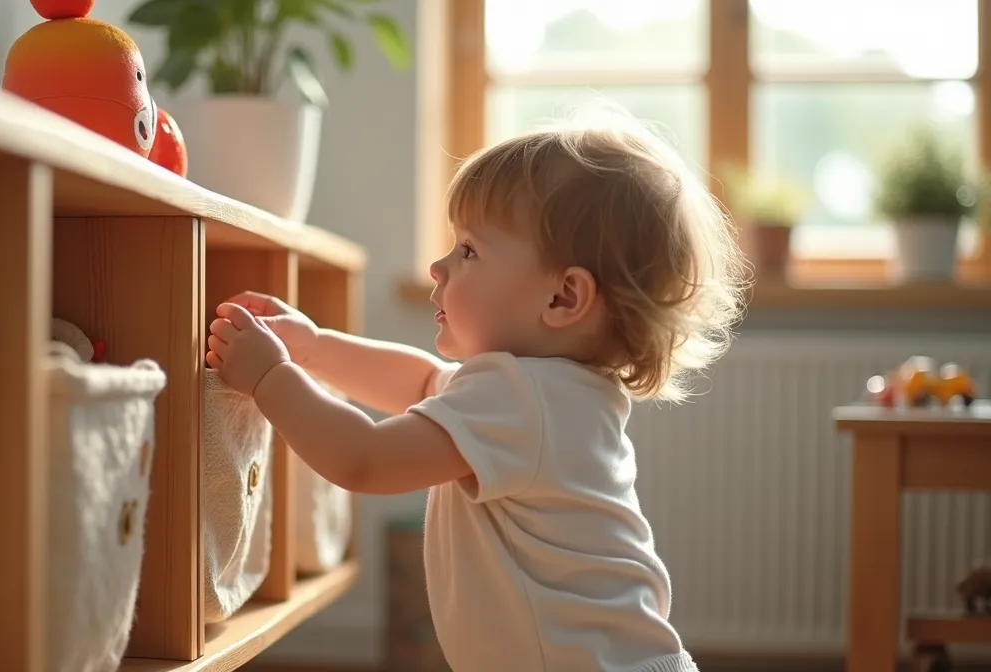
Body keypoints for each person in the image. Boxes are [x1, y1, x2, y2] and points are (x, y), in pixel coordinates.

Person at [204, 104, 748, 671]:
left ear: (563, 298)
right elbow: (420, 383)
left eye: (469, 251)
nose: (439, 267)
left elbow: (363, 460)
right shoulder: (551, 392)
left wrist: (270, 377)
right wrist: (315, 346)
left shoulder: (519, 397)